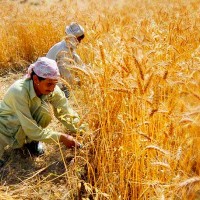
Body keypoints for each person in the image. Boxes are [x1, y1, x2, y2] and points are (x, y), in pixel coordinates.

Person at [0, 57, 86, 168]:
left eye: (55, 83)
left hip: (24, 125)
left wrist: (83, 130)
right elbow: (31, 129)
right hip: (5, 126)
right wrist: (62, 137)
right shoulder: (18, 92)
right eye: (49, 84)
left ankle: (31, 143)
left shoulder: (52, 88)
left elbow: (65, 111)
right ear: (36, 79)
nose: (52, 88)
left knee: (44, 112)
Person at [46, 22, 85, 98]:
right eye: (78, 39)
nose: (79, 42)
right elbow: (64, 71)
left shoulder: (67, 45)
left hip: (56, 77)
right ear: (72, 37)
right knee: (64, 96)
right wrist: (77, 83)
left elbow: (77, 61)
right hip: (49, 79)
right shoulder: (63, 49)